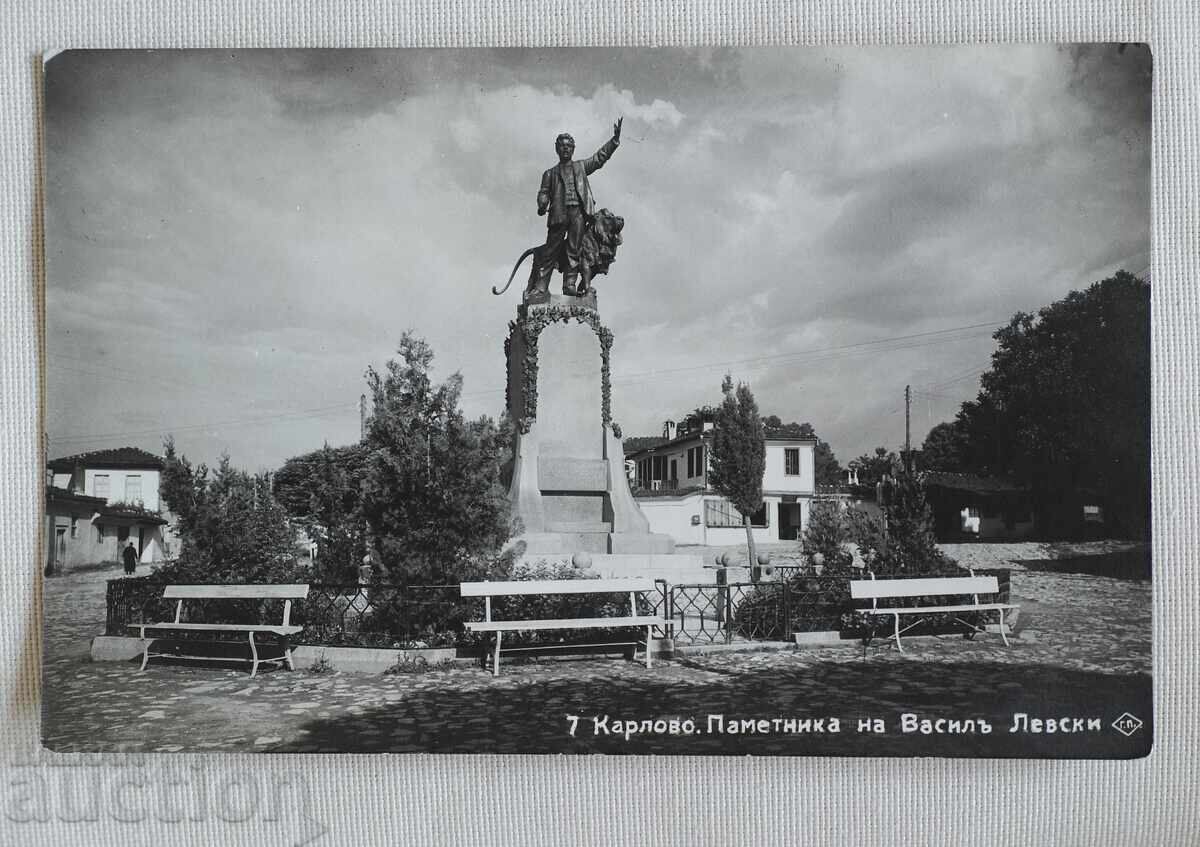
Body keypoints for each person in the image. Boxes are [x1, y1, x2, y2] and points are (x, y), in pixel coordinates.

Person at [532, 118, 622, 296]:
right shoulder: (550, 173)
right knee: (551, 251)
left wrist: (614, 141)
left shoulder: (581, 167)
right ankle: (541, 287)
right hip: (558, 214)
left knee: (574, 250)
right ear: (557, 149)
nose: (565, 148)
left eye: (569, 146)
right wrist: (542, 202)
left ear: (573, 149)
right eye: (562, 146)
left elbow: (599, 158)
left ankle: (570, 286)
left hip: (578, 213)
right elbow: (544, 191)